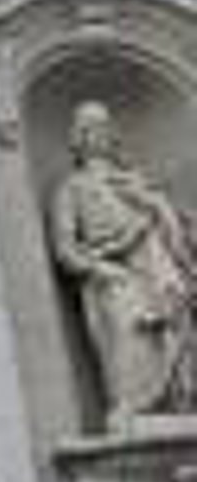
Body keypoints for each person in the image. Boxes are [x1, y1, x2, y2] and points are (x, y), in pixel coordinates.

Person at [49, 99, 195, 428]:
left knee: (174, 327)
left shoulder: (135, 181)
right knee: (127, 335)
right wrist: (99, 268)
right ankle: (131, 407)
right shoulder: (71, 188)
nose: (98, 134)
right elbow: (65, 248)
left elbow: (175, 230)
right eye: (89, 128)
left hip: (156, 267)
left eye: (103, 127)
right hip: (112, 274)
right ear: (77, 139)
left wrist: (154, 205)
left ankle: (179, 402)